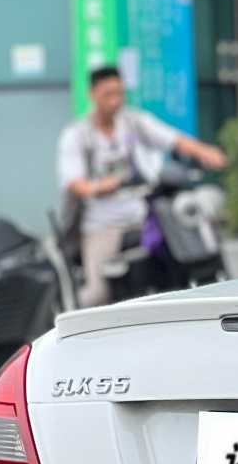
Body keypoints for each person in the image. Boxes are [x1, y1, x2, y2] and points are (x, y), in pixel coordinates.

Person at [57, 66, 226, 307]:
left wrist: (204, 152)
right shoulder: (77, 135)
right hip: (103, 225)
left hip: (144, 218)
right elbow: (75, 184)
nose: (115, 101)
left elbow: (172, 138)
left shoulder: (133, 121)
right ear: (92, 94)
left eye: (119, 93)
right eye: (108, 95)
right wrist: (104, 185)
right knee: (97, 294)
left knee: (179, 264)